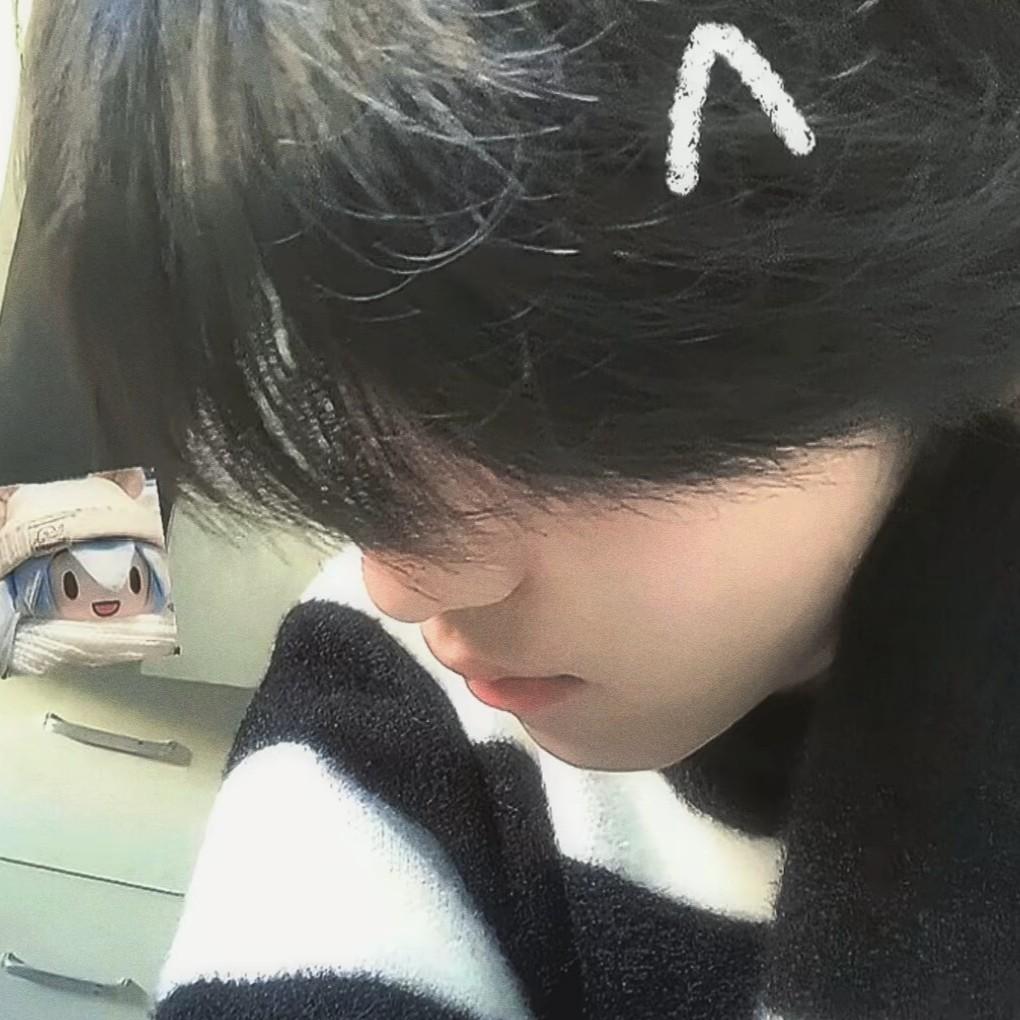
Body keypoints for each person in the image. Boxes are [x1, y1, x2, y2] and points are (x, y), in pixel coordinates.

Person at [15, 0, 1020, 1016]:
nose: (403, 583)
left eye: (564, 389)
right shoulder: (389, 691)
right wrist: (44, 608)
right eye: (322, 370)